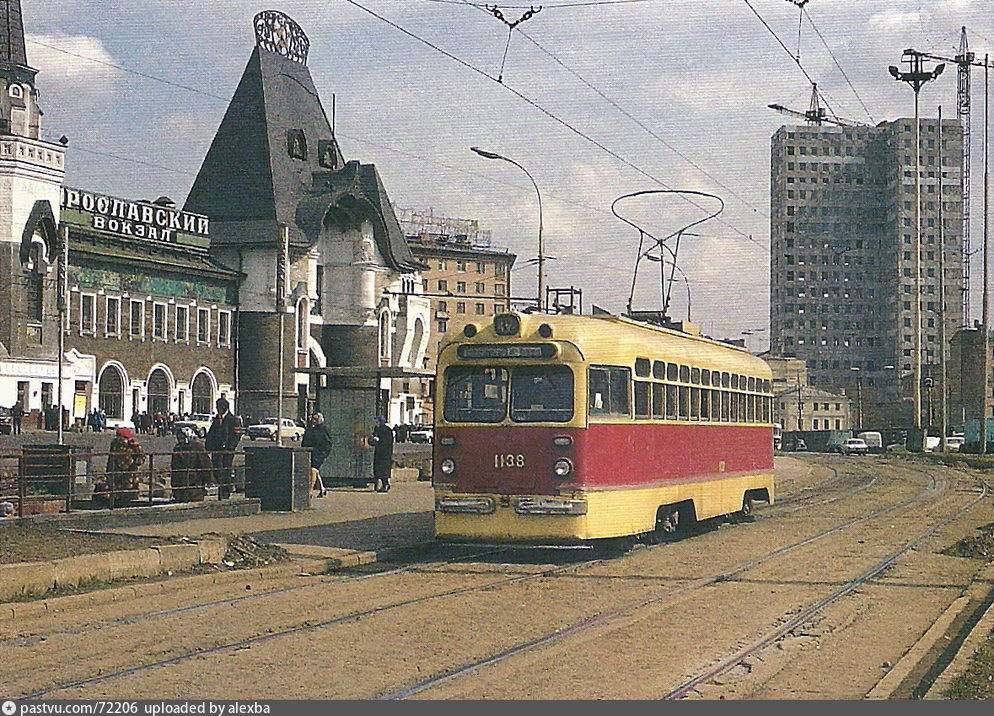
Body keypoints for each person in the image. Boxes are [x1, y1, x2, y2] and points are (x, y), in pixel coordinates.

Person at [95, 428, 144, 508]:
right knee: (125, 491)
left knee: (114, 490)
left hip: (116, 475)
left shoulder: (115, 444)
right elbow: (139, 461)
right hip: (127, 477)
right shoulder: (130, 446)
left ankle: (113, 500)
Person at [205, 397, 240, 499]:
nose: (217, 409)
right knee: (216, 470)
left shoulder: (233, 419)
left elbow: (237, 435)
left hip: (227, 452)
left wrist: (230, 447)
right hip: (216, 451)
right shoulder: (216, 420)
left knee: (225, 471)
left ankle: (225, 493)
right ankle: (222, 489)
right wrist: (208, 447)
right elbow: (211, 434)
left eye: (219, 407)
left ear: (224, 407)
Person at [170, 429, 212, 502]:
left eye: (182, 438)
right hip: (180, 481)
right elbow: (174, 467)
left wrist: (208, 480)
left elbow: (205, 463)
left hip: (194, 481)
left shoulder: (197, 447)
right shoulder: (177, 448)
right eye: (178, 438)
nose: (180, 440)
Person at [301, 413, 332, 497]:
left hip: (318, 453)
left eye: (315, 419)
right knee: (315, 471)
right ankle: (322, 489)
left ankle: (309, 491)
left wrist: (323, 453)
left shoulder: (323, 429)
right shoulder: (310, 429)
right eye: (313, 419)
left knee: (312, 470)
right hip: (309, 452)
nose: (313, 421)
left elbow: (328, 443)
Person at [370, 416, 394, 493]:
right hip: (380, 452)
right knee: (379, 469)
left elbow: (386, 442)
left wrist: (378, 441)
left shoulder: (385, 430)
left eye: (377, 422)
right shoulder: (378, 429)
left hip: (384, 453)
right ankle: (381, 484)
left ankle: (385, 484)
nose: (375, 423)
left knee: (383, 470)